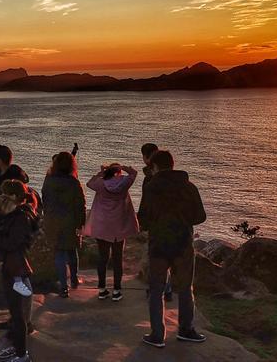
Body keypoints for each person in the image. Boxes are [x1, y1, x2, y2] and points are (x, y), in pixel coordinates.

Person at [137, 150, 207, 348]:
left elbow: (143, 219)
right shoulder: (189, 187)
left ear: (156, 167)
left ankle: (157, 335)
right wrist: (183, 221)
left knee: (157, 289)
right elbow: (200, 216)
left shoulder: (151, 188)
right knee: (185, 288)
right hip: (183, 243)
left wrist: (156, 223)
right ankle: (186, 329)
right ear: (173, 164)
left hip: (159, 244)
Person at [0, 179, 38, 362]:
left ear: (13, 196)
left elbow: (10, 244)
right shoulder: (17, 215)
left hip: (16, 271)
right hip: (12, 269)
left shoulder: (21, 217)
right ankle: (17, 348)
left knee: (18, 315)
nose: (0, 196)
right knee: (15, 313)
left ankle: (22, 355)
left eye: (4, 194)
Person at [0, 145, 38, 335]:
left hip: (13, 237)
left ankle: (24, 324)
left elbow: (10, 210)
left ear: (0, 160)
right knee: (16, 280)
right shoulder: (10, 178)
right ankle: (18, 320)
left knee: (21, 280)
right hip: (12, 235)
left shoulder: (11, 182)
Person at [86, 163, 140, 302]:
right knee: (117, 259)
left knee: (102, 258)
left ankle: (102, 289)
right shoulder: (124, 183)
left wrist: (102, 172)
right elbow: (134, 173)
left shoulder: (100, 183)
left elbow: (89, 183)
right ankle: (116, 291)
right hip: (119, 227)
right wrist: (123, 166)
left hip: (102, 226)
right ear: (119, 172)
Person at [41, 151, 86, 298]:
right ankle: (74, 279)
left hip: (52, 220)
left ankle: (63, 286)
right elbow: (81, 205)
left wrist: (47, 216)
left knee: (58, 252)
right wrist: (81, 223)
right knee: (72, 250)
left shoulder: (49, 180)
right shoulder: (73, 182)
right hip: (70, 221)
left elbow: (44, 200)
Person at [141, 143, 173, 302]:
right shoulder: (179, 182)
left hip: (157, 225)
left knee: (155, 258)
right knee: (168, 259)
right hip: (175, 226)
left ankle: (156, 289)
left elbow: (146, 204)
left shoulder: (150, 181)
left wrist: (143, 221)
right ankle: (167, 289)